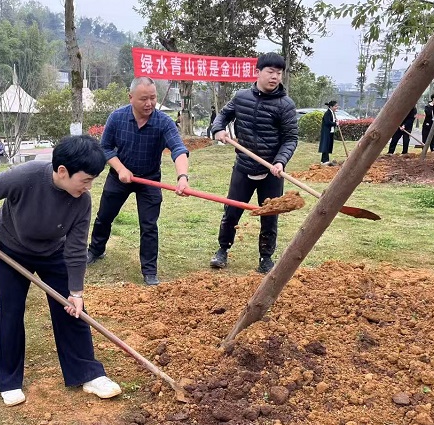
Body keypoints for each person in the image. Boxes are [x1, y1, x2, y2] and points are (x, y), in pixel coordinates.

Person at [0, 135, 122, 407]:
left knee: (73, 308)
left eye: (92, 181)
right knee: (11, 310)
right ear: (62, 171)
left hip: (53, 252)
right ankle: (9, 381)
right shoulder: (26, 176)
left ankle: (88, 373)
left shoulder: (81, 201)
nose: (88, 188)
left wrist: (76, 292)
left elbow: (76, 250)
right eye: (85, 180)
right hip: (11, 249)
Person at [87, 76, 190, 286]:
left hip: (150, 180)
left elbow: (178, 149)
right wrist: (121, 168)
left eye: (153, 98)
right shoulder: (117, 118)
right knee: (104, 216)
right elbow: (105, 147)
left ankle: (149, 270)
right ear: (130, 97)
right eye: (144, 98)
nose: (149, 103)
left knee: (149, 225)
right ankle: (95, 250)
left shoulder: (164, 122)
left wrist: (182, 177)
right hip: (119, 177)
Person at [209, 52, 298, 274]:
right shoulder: (241, 97)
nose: (275, 77)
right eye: (270, 72)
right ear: (258, 72)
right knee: (232, 211)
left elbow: (290, 138)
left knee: (269, 215)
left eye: (279, 73)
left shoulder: (285, 105)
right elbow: (222, 116)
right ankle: (222, 250)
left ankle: (266, 258)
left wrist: (280, 161)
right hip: (243, 166)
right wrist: (218, 129)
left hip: (271, 172)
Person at [318, 100, 338, 166]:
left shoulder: (332, 112)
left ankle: (324, 160)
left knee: (328, 145)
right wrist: (335, 123)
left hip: (330, 132)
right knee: (325, 146)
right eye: (335, 106)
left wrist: (335, 122)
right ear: (331, 106)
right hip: (326, 132)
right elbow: (327, 122)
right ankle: (325, 160)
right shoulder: (327, 113)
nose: (336, 107)